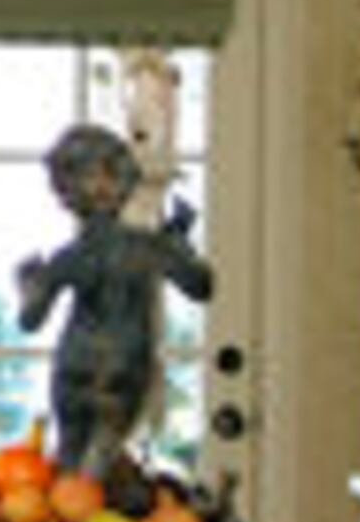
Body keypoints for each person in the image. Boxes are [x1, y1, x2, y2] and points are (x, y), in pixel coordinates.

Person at [15, 123, 213, 480]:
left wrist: (29, 284)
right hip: (124, 366)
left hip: (75, 365)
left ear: (65, 196)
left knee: (70, 465)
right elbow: (200, 285)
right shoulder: (147, 246)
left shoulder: (71, 255)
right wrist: (181, 243)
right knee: (98, 471)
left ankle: (72, 520)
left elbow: (30, 319)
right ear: (126, 179)